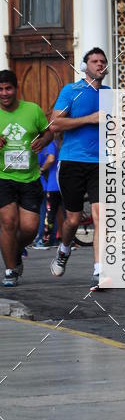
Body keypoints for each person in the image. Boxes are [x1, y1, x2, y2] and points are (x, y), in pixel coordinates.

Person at [49, 48, 109, 290]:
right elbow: (55, 124)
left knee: (101, 216)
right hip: (72, 161)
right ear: (85, 66)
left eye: (103, 62)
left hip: (100, 163)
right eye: (94, 61)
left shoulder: (109, 94)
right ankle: (64, 250)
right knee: (72, 219)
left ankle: (99, 270)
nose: (99, 65)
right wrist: (89, 119)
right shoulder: (71, 91)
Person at [0, 70, 53, 286]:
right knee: (8, 222)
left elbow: (48, 132)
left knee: (30, 228)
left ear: (16, 88)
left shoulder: (32, 110)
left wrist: (43, 141)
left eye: (8, 88)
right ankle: (11, 270)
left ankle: (15, 248)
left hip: (30, 178)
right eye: (0, 89)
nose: (4, 93)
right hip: (3, 176)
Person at [34, 136, 62, 248]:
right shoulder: (57, 143)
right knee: (54, 213)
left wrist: (41, 169)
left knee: (45, 213)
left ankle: (42, 239)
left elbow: (50, 159)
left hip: (48, 185)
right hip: (56, 183)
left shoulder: (49, 144)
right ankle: (53, 239)